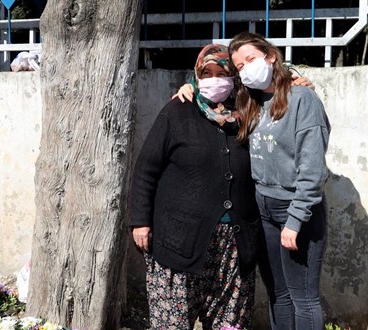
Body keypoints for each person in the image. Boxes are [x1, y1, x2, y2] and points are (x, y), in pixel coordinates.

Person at [129, 44, 259, 329]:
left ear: (234, 76)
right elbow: (146, 169)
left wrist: (297, 79)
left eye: (221, 72)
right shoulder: (178, 110)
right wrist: (140, 221)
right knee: (172, 324)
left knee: (230, 324)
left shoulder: (248, 112)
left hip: (235, 246)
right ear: (196, 76)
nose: (214, 79)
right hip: (179, 241)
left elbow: (280, 88)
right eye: (207, 73)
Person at [229, 31, 330, 330]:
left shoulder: (303, 99)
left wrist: (296, 219)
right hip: (265, 210)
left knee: (303, 297)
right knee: (279, 294)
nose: (246, 69)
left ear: (270, 56)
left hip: (296, 210)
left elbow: (312, 169)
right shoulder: (252, 103)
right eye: (239, 67)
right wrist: (189, 87)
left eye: (251, 59)